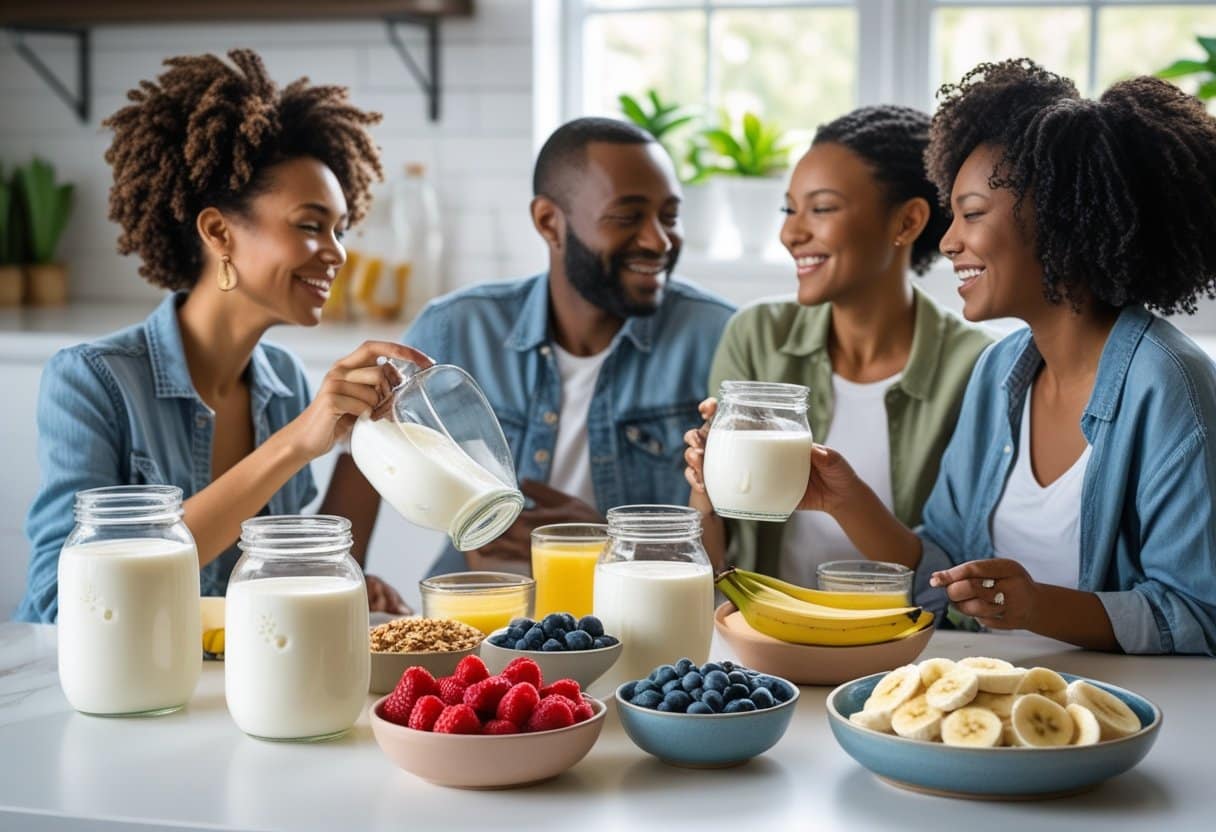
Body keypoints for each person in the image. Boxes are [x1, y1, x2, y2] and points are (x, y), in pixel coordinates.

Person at [695, 59, 1216, 655]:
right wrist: (844, 500)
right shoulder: (1001, 373)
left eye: (971, 215)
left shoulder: (1168, 385)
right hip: (983, 693)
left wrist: (1036, 605)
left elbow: (1199, 614)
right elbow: (940, 573)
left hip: (1116, 715)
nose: (946, 242)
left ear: (1062, 221)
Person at [16, 49, 428, 622]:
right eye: (311, 225)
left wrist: (366, 451)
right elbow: (66, 609)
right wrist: (293, 445)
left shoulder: (282, 383)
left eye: (340, 229)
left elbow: (270, 589)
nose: (337, 253)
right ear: (218, 231)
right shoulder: (94, 381)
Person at [405, 117, 735, 574]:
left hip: (633, 628)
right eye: (627, 217)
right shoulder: (454, 330)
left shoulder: (716, 337)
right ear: (548, 222)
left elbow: (732, 558)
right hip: (476, 619)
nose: (658, 240)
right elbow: (362, 475)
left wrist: (608, 543)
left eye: (670, 217)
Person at [683, 105, 992, 580]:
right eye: (789, 209)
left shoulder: (975, 366)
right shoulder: (757, 336)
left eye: (821, 208)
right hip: (767, 635)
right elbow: (711, 570)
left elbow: (957, 571)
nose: (791, 232)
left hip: (908, 639)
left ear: (907, 222)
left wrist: (845, 502)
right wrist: (707, 488)